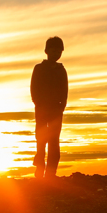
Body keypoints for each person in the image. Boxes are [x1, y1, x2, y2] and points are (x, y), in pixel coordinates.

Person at [30, 36, 68, 179]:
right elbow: (34, 89)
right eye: (53, 51)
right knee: (41, 140)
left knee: (54, 142)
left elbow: (65, 91)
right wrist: (39, 104)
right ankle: (40, 170)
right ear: (46, 51)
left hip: (56, 111)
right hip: (41, 110)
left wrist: (61, 107)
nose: (56, 54)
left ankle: (51, 173)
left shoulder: (61, 70)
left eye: (59, 51)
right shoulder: (39, 69)